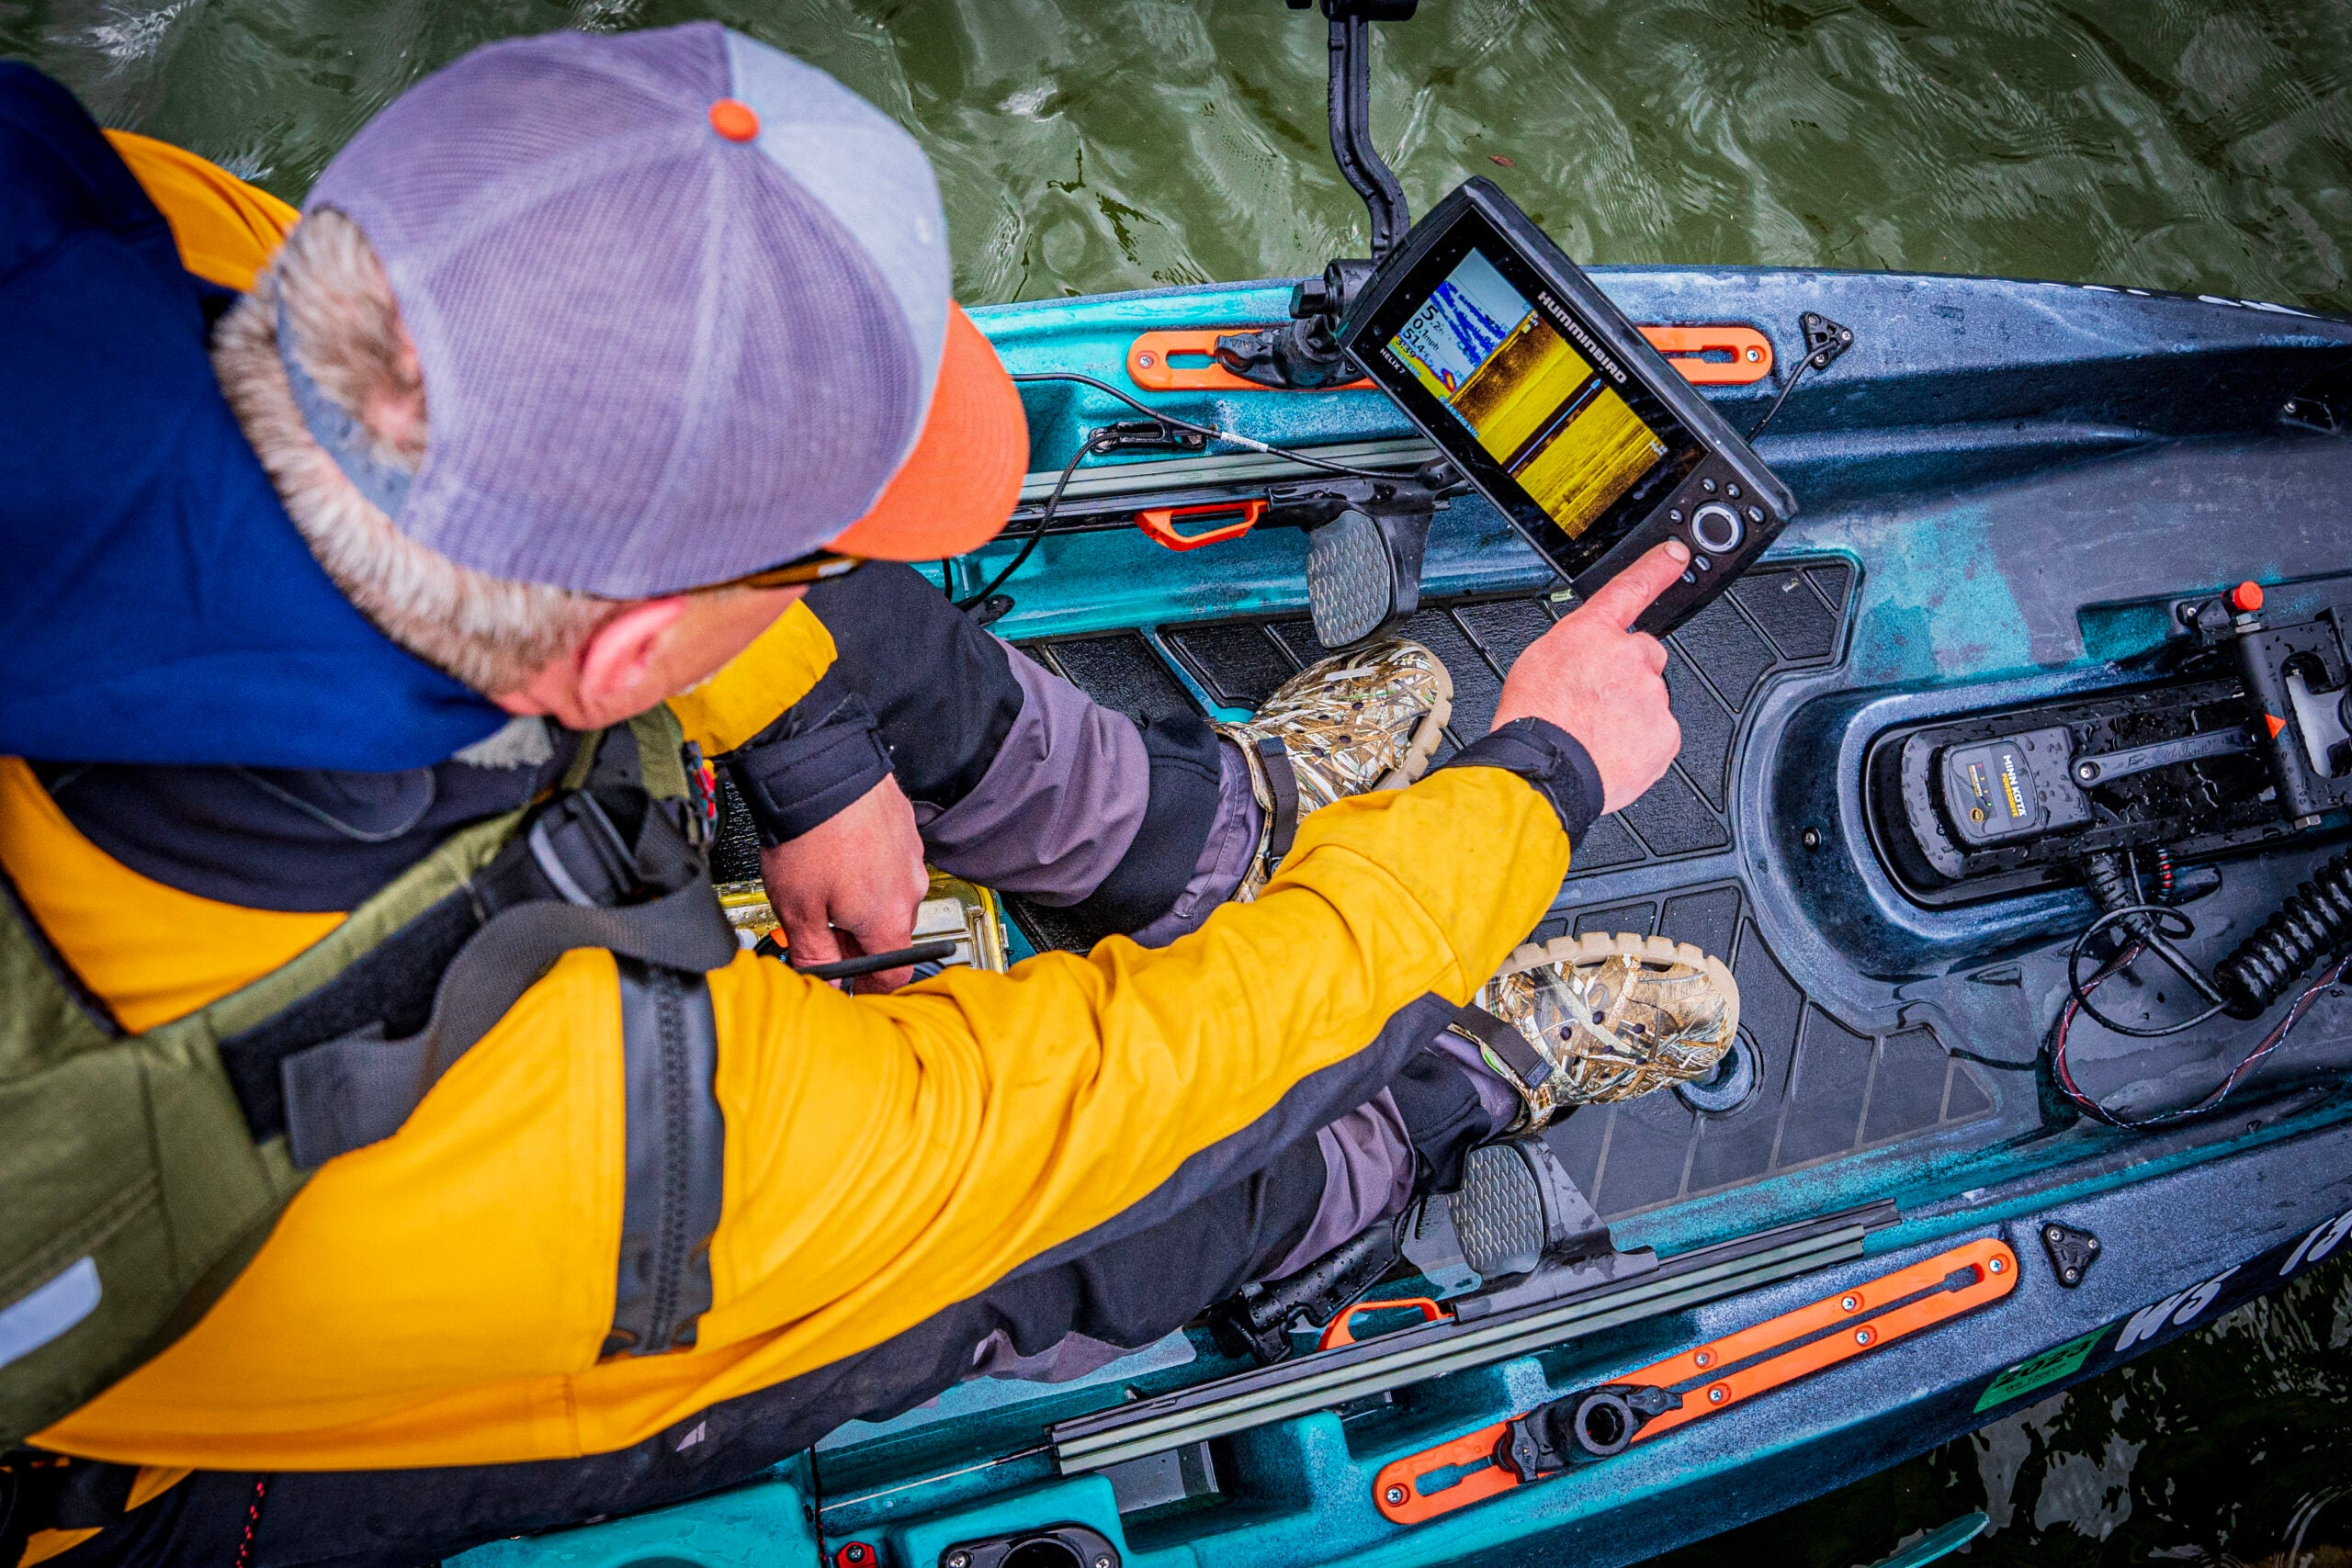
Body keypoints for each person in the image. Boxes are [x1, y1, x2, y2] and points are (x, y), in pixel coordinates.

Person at [0, 24, 1727, 1567]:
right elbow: (1099, 1110)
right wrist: (1537, 781)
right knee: (987, 1256)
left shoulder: (89, 227)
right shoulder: (616, 1136)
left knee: (811, 580)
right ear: (623, 664)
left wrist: (814, 748)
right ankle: (1391, 1135)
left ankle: (1203, 829)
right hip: (131, 1464)